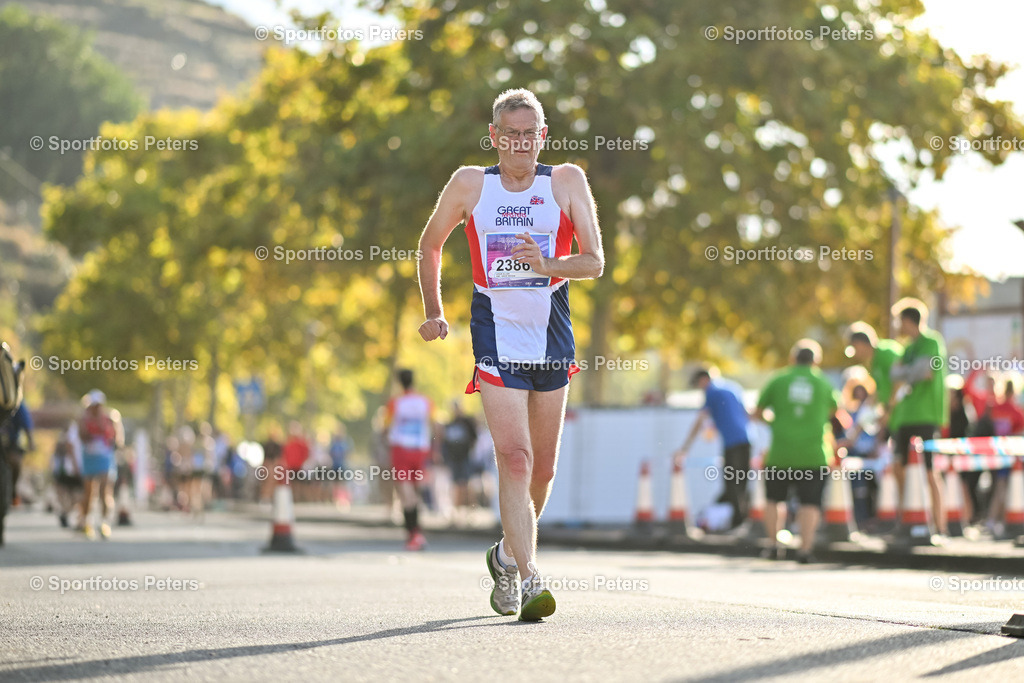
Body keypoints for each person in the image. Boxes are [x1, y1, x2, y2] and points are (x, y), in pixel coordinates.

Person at [416, 88, 603, 620]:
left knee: (542, 470)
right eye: (511, 134)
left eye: (530, 134)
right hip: (494, 331)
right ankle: (530, 577)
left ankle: (504, 553)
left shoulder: (565, 181)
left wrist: (546, 265)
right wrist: (435, 309)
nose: (521, 143)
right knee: (514, 459)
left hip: (551, 331)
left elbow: (594, 262)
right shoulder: (470, 184)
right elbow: (430, 244)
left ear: (542, 137)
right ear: (495, 137)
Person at [754, 339, 839, 563]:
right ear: (816, 360)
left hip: (781, 453)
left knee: (774, 499)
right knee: (810, 503)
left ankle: (773, 546)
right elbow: (835, 412)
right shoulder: (823, 383)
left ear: (793, 358)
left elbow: (757, 411)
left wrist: (775, 423)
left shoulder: (779, 379)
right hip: (813, 454)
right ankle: (805, 550)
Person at [890, 299, 948, 537]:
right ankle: (907, 521)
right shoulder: (909, 347)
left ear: (907, 320)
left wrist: (905, 373)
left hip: (925, 416)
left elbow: (924, 372)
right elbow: (896, 374)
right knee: (899, 468)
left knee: (928, 471)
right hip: (905, 417)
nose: (898, 327)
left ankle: (939, 526)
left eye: (900, 322)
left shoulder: (931, 341)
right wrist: (907, 373)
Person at [673, 367, 752, 530]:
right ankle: (742, 519)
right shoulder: (732, 387)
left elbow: (700, 421)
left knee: (732, 483)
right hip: (747, 439)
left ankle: (737, 522)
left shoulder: (712, 392)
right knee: (741, 481)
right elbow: (743, 413)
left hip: (732, 442)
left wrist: (684, 448)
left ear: (703, 380)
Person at [384, 369, 437, 551]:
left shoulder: (395, 403)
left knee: (406, 494)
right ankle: (417, 533)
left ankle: (413, 534)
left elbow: (385, 426)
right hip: (421, 450)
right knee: (416, 492)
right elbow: (434, 425)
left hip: (401, 450)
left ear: (399, 383)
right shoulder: (426, 402)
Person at [77, 390, 122, 539]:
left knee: (105, 491)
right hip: (89, 458)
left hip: (105, 458)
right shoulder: (84, 418)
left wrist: (113, 431)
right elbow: (82, 436)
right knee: (89, 492)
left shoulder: (110, 417)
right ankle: (86, 522)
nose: (96, 408)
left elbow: (118, 439)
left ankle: (104, 523)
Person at [985, 379, 1024, 534]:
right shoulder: (1017, 411)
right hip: (1013, 457)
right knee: (1009, 490)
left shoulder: (996, 408)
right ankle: (999, 520)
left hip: (998, 453)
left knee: (1000, 488)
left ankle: (992, 520)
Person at [442, 400, 479, 525]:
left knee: (467, 484)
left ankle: (470, 512)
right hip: (454, 458)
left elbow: (474, 438)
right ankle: (457, 513)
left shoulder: (466, 422)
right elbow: (445, 442)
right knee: (456, 486)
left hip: (465, 457)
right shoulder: (450, 424)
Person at [1, 398, 34, 507]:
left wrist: (30, 441)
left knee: (15, 462)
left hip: (11, 442)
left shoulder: (16, 402)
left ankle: (12, 491)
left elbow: (26, 423)